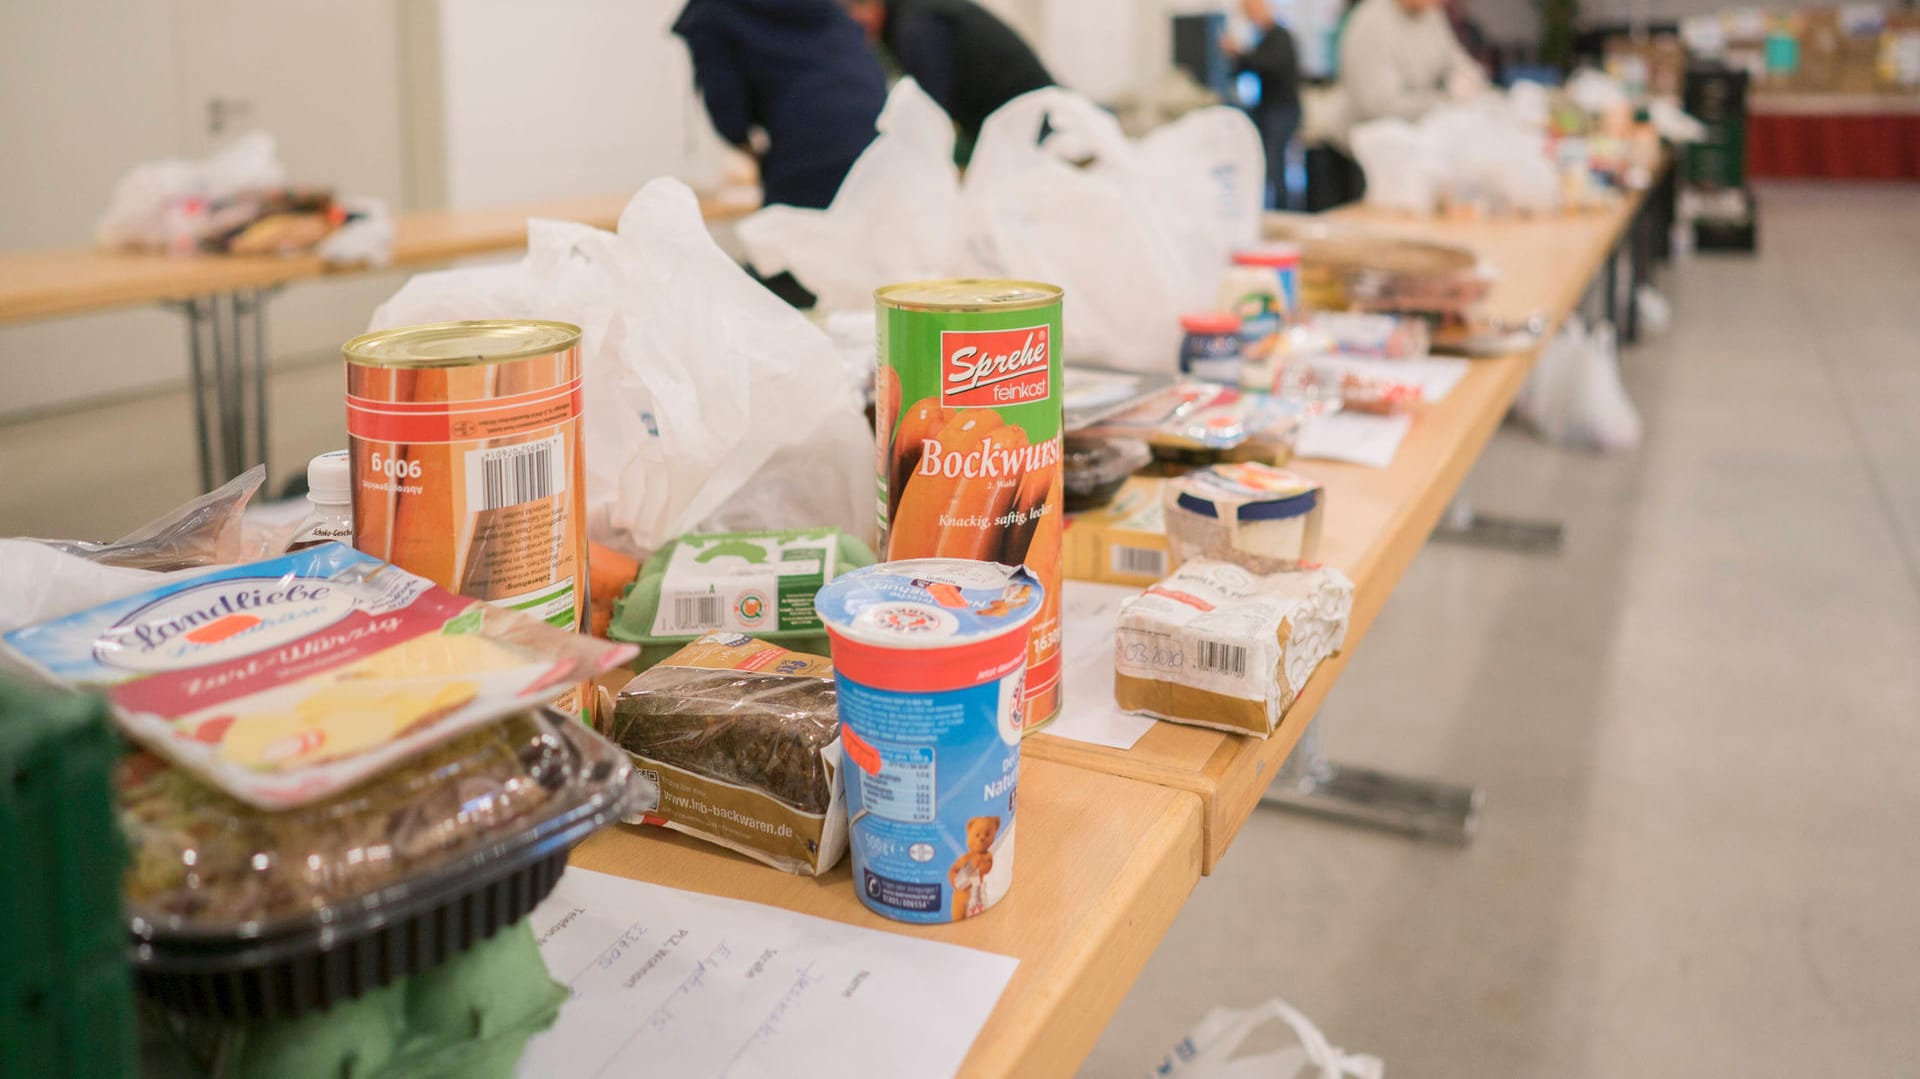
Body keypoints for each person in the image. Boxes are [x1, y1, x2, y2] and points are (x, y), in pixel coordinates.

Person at [673, 0, 887, 210]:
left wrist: (753, 154)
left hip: (807, 156)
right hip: (880, 140)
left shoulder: (711, 12)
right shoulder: (823, 8)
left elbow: (725, 106)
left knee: (794, 237)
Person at [844, 0, 1052, 145]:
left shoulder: (915, 24)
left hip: (1040, 130)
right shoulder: (918, 13)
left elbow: (931, 109)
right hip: (1032, 123)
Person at [1337, 0, 1485, 127]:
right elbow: (1380, 107)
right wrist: (1444, 101)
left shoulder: (1430, 14)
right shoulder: (1371, 23)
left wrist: (1466, 76)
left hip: (1422, 130)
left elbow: (1455, 59)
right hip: (1366, 144)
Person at [1223, 0, 1302, 209]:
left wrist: (1239, 53)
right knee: (1271, 163)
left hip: (1282, 111)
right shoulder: (1265, 38)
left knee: (1276, 165)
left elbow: (1266, 65)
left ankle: (1282, 212)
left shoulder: (1279, 36)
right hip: (1271, 111)